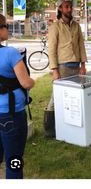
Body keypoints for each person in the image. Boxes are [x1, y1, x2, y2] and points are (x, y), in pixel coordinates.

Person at [45, 0, 87, 137]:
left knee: (74, 97)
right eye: (66, 6)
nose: (70, 9)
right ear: (60, 9)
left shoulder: (76, 26)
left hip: (76, 67)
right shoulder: (55, 26)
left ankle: (70, 124)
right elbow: (51, 50)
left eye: (70, 6)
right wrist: (55, 70)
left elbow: (81, 45)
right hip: (62, 67)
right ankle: (49, 130)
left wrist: (83, 65)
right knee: (56, 97)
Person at [0, 14, 35, 179]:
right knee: (14, 161)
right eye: (5, 25)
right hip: (11, 114)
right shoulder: (10, 53)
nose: (7, 28)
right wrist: (32, 81)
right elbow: (26, 83)